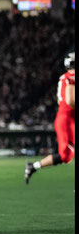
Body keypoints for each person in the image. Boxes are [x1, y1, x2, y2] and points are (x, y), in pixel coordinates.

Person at [26, 51, 75, 183]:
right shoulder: (71, 76)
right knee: (65, 155)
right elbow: (70, 101)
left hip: (69, 119)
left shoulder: (66, 77)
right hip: (67, 120)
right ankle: (33, 166)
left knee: (68, 155)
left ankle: (33, 166)